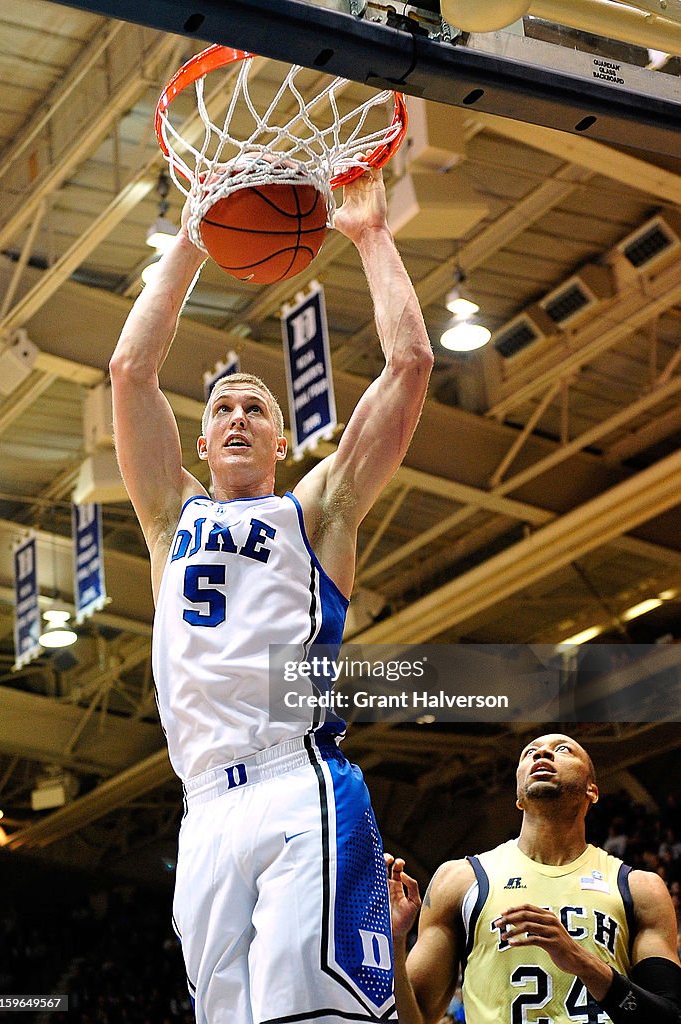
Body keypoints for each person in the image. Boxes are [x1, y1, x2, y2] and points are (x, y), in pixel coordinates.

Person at [109, 162, 433, 1024]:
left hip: (300, 782)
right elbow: (130, 370)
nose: (240, 417)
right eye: (223, 410)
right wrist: (188, 236)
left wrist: (371, 235)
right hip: (203, 808)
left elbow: (410, 364)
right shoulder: (166, 516)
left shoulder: (317, 510)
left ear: (282, 441)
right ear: (204, 443)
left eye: (256, 407)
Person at [387, 733, 681, 1024]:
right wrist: (396, 942)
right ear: (518, 797)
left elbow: (670, 1018)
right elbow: (415, 1019)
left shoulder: (639, 888)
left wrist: (582, 961)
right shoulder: (459, 880)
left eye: (563, 749)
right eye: (530, 752)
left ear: (592, 790)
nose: (542, 754)